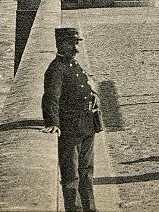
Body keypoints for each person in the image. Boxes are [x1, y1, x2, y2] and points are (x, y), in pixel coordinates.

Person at [42, 27, 101, 212]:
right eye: (72, 44)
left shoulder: (73, 64)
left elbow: (83, 85)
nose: (76, 48)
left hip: (86, 126)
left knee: (87, 172)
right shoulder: (56, 69)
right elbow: (51, 97)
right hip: (70, 129)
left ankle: (90, 208)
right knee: (71, 176)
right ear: (60, 44)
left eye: (77, 43)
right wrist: (52, 122)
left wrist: (92, 94)